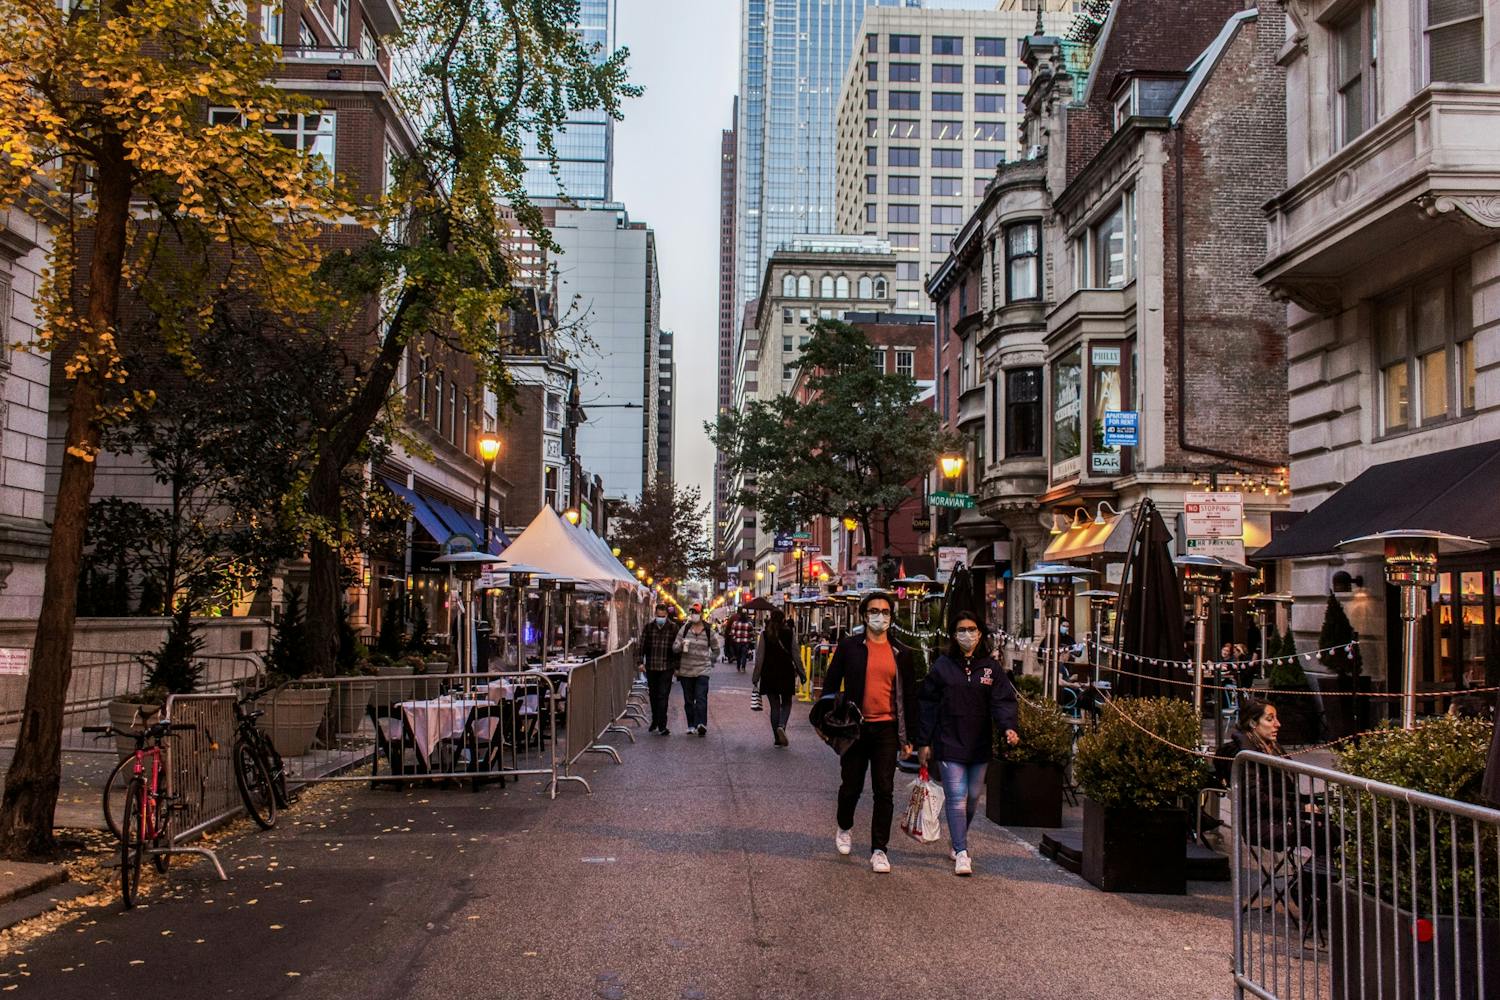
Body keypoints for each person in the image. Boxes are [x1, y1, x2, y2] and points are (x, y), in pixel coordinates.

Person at [821, 591, 919, 874]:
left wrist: (909, 737)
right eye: (874, 611)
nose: (880, 616)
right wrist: (829, 723)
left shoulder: (901, 652)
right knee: (851, 785)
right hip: (855, 728)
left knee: (884, 790)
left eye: (885, 611)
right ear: (864, 615)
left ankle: (879, 849)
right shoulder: (850, 647)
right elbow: (830, 686)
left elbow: (910, 697)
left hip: (887, 729)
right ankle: (844, 826)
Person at [916, 613, 1019, 876]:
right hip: (949, 740)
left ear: (980, 633)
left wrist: (1008, 727)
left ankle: (957, 838)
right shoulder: (942, 666)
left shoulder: (990, 668)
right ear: (953, 635)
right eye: (961, 630)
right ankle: (962, 851)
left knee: (973, 797)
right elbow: (927, 703)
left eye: (972, 629)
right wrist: (924, 741)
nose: (967, 634)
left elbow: (1003, 700)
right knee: (957, 798)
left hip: (979, 743)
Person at [753, 609, 805, 747]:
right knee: (787, 703)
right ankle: (782, 725)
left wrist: (755, 677)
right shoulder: (789, 633)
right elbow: (796, 655)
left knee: (774, 707)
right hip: (786, 673)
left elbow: (759, 658)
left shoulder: (764, 635)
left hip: (768, 674)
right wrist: (802, 673)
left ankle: (777, 737)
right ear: (783, 620)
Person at [673, 603, 719, 736]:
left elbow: (716, 649)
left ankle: (701, 724)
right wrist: (680, 645)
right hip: (686, 670)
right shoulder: (685, 629)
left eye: (696, 612)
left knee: (701, 698)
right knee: (688, 700)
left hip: (702, 670)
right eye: (692, 611)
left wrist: (711, 661)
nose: (694, 614)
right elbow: (674, 647)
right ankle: (691, 724)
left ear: (702, 614)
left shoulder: (708, 630)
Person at [639, 602, 679, 735]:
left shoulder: (673, 628)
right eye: (658, 615)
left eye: (662, 615)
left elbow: (677, 649)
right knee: (654, 695)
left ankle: (662, 725)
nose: (660, 618)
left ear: (666, 615)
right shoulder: (649, 627)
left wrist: (677, 667)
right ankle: (655, 720)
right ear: (655, 614)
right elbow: (642, 646)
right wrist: (640, 662)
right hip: (652, 666)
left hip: (667, 667)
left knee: (663, 696)